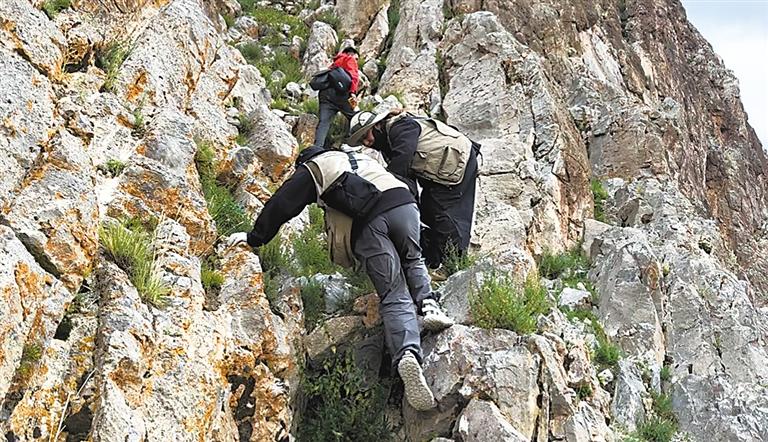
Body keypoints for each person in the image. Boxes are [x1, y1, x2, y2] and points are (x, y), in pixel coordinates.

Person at [226, 145, 454, 411]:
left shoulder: (315, 168)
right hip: (404, 204)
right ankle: (429, 305)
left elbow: (283, 202)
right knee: (413, 259)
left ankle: (407, 354)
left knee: (394, 293)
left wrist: (255, 237)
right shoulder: (361, 157)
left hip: (369, 222)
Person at [346, 110, 480, 280]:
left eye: (366, 135)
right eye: (361, 141)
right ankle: (433, 261)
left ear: (377, 125)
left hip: (458, 162)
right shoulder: (387, 143)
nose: (367, 142)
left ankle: (454, 266)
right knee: (428, 211)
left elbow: (401, 165)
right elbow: (406, 180)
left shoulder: (401, 128)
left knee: (444, 214)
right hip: (440, 171)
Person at [312, 47, 360, 149]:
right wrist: (353, 93)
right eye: (356, 58)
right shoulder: (349, 59)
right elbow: (354, 77)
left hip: (325, 95)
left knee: (324, 123)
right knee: (356, 117)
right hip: (343, 96)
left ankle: (317, 148)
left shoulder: (334, 64)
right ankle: (353, 145)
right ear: (350, 54)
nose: (356, 61)